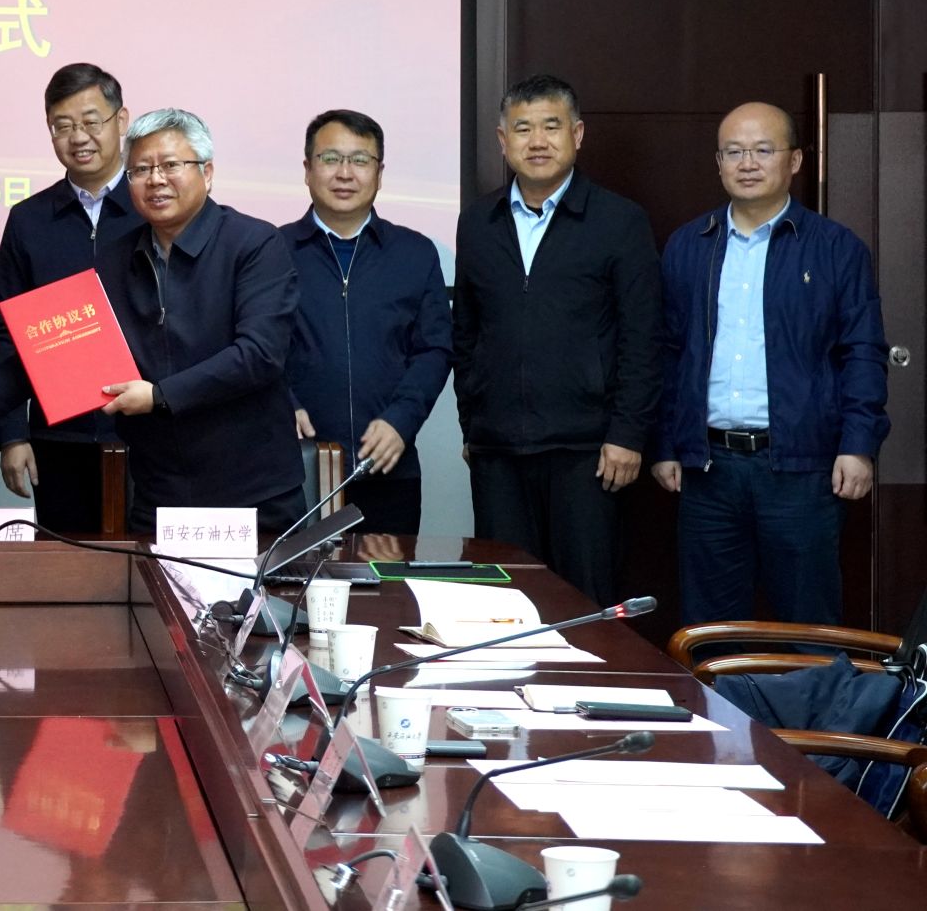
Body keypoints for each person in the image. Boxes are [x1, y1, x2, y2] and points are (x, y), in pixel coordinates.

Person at [0, 109, 301, 538]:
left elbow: (259, 355)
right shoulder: (114, 260)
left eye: (170, 165)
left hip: (253, 491)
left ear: (207, 173)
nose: (155, 179)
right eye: (140, 170)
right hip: (159, 492)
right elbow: (51, 354)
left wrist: (158, 396)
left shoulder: (254, 243)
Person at [653, 102, 886, 627]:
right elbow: (668, 351)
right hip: (708, 469)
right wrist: (667, 443)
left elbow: (863, 351)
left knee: (808, 624)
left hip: (801, 467)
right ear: (718, 163)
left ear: (795, 160)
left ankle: (810, 690)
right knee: (711, 631)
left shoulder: (835, 248)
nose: (748, 163)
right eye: (734, 152)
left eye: (763, 150)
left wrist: (858, 445)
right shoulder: (689, 245)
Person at [453, 74, 660, 603]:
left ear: (577, 134)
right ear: (503, 141)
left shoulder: (619, 220)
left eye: (551, 126)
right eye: (523, 129)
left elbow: (642, 336)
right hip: (498, 450)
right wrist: (473, 425)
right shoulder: (477, 223)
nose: (538, 141)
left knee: (582, 599)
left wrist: (628, 433)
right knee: (504, 599)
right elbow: (467, 332)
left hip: (587, 451)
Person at [0, 63, 141, 534]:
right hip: (57, 436)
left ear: (121, 120)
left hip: (147, 432)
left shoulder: (152, 208)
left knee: (150, 565)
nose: (78, 137)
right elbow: (4, 332)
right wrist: (12, 435)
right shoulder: (29, 219)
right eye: (63, 126)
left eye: (91, 121)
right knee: (68, 563)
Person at [282, 110, 452, 535]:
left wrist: (402, 420)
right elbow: (254, 346)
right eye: (330, 159)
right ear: (307, 169)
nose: (345, 173)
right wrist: (282, 403)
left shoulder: (414, 253)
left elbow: (434, 349)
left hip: (388, 467)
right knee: (291, 577)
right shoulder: (271, 251)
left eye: (360, 160)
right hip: (294, 466)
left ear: (379, 173)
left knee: (385, 578)